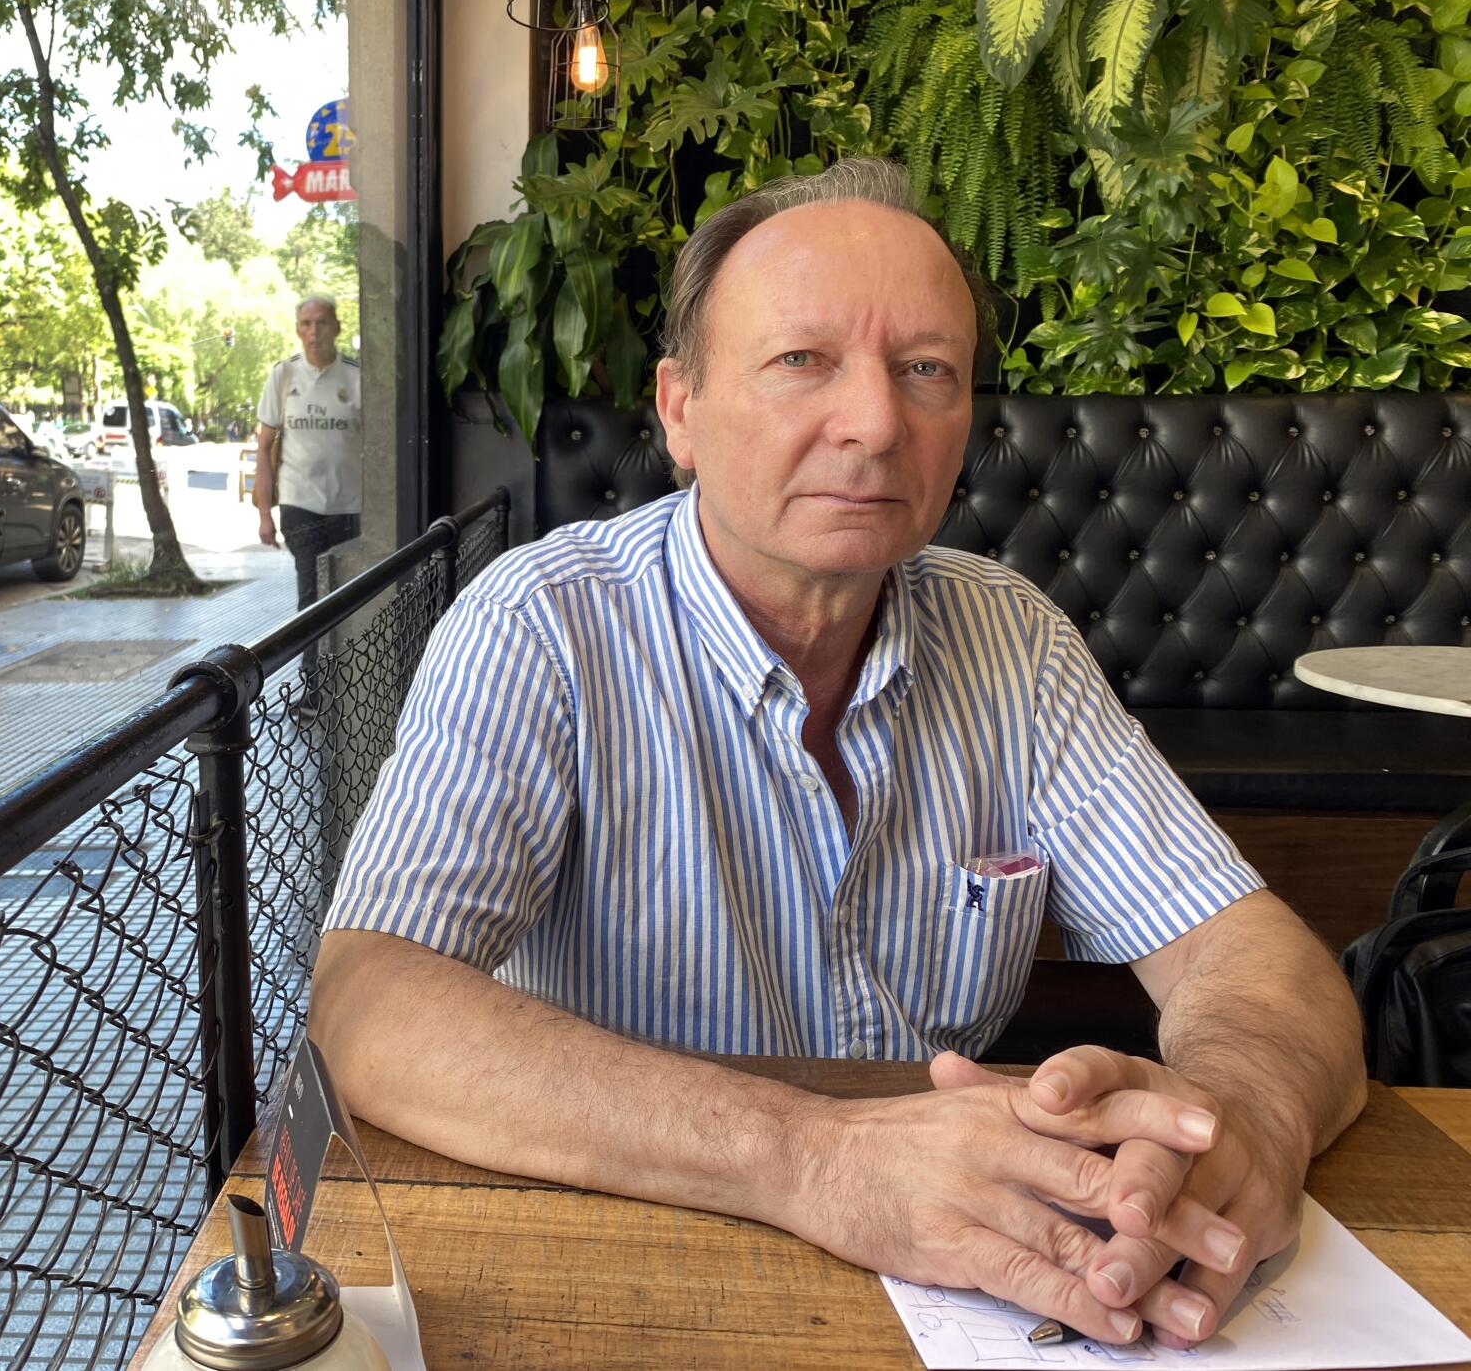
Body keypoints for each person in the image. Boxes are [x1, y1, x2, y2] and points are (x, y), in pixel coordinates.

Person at [307, 159, 1366, 1351]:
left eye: (924, 370)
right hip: (632, 1262)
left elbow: (1250, 954)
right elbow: (366, 1002)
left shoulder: (1009, 635)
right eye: (801, 361)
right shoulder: (544, 626)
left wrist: (1237, 1129)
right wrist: (814, 1160)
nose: (872, 423)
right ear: (679, 411)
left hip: (947, 1291)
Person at [255, 294, 360, 610]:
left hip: (350, 506)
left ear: (337, 328)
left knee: (347, 597)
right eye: (307, 324)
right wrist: (264, 516)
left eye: (322, 323)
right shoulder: (284, 375)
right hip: (300, 502)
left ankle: (338, 660)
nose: (315, 331)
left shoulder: (358, 376)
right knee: (311, 595)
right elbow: (263, 448)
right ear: (298, 330)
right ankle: (312, 662)